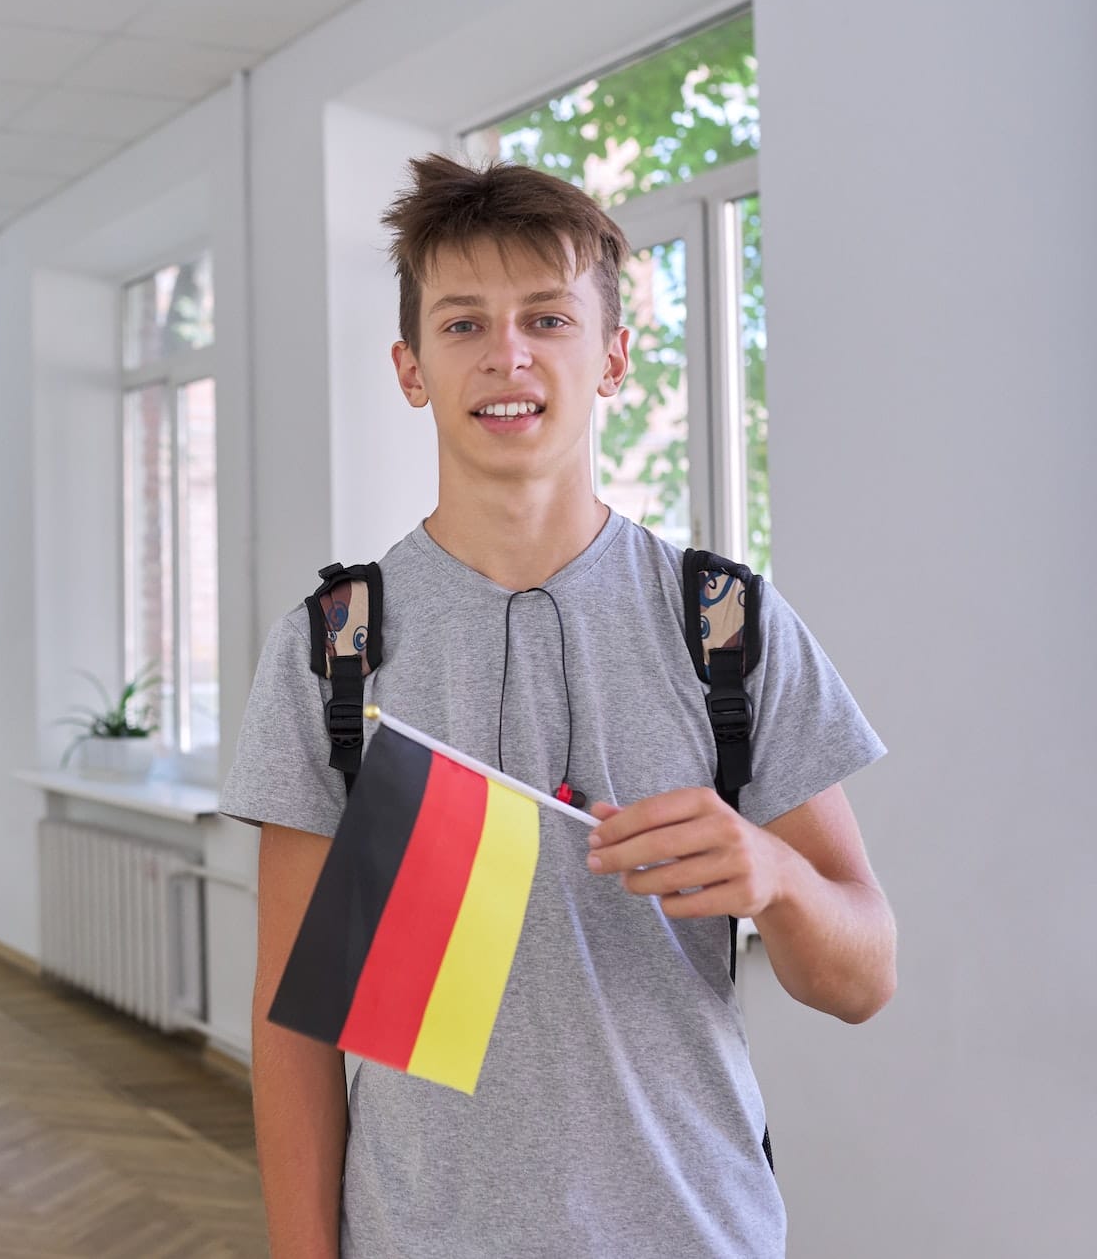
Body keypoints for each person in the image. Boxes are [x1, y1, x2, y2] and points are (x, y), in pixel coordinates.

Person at [227, 155, 898, 1258]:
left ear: (612, 359)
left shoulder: (724, 624)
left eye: (546, 316)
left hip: (695, 1230)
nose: (507, 353)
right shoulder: (333, 646)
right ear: (409, 368)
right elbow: (292, 1023)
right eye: (461, 324)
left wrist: (773, 876)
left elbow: (862, 977)